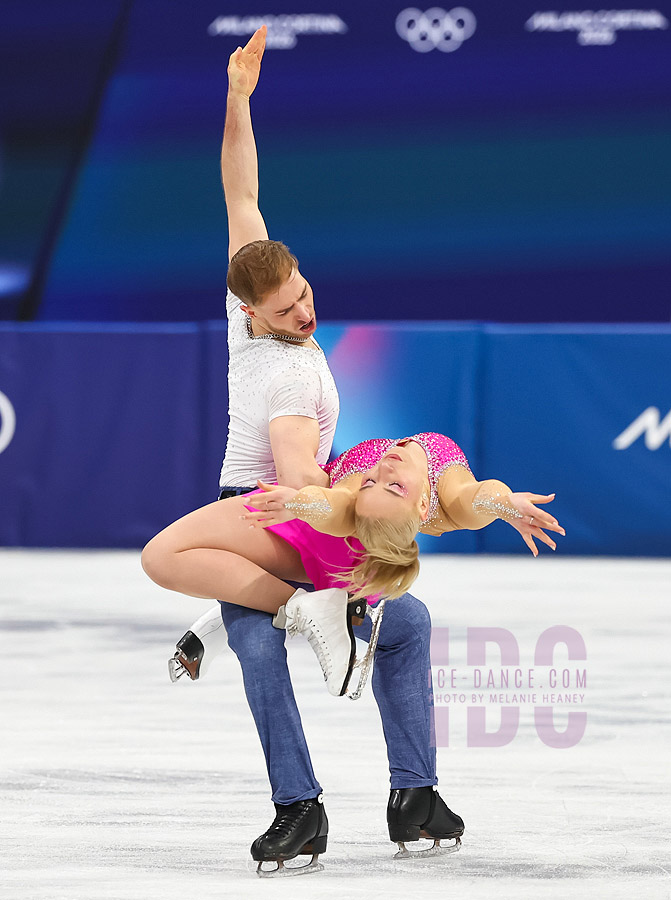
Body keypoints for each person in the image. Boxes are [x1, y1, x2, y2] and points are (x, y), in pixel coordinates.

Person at [145, 25, 467, 876]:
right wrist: (336, 543)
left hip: (273, 508)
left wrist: (237, 101)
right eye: (288, 310)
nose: (305, 313)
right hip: (268, 505)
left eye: (306, 294)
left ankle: (392, 796)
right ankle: (318, 802)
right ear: (252, 314)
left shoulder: (249, 301)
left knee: (399, 623)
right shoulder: (281, 379)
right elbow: (293, 479)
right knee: (279, 639)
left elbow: (239, 196)